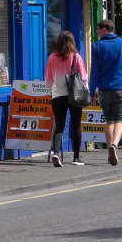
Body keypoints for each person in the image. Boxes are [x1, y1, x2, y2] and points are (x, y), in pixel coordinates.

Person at [88, 18, 122, 166]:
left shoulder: (96, 46)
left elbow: (94, 71)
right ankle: (115, 145)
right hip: (120, 88)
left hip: (104, 89)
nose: (97, 33)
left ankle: (109, 151)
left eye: (98, 30)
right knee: (119, 120)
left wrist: (92, 93)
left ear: (104, 30)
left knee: (109, 120)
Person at [43, 31, 88, 167]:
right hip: (75, 94)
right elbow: (83, 77)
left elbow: (48, 79)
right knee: (76, 126)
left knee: (59, 126)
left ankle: (56, 153)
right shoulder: (76, 57)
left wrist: (50, 92)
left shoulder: (52, 57)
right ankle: (76, 157)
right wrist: (86, 91)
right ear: (72, 42)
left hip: (58, 94)